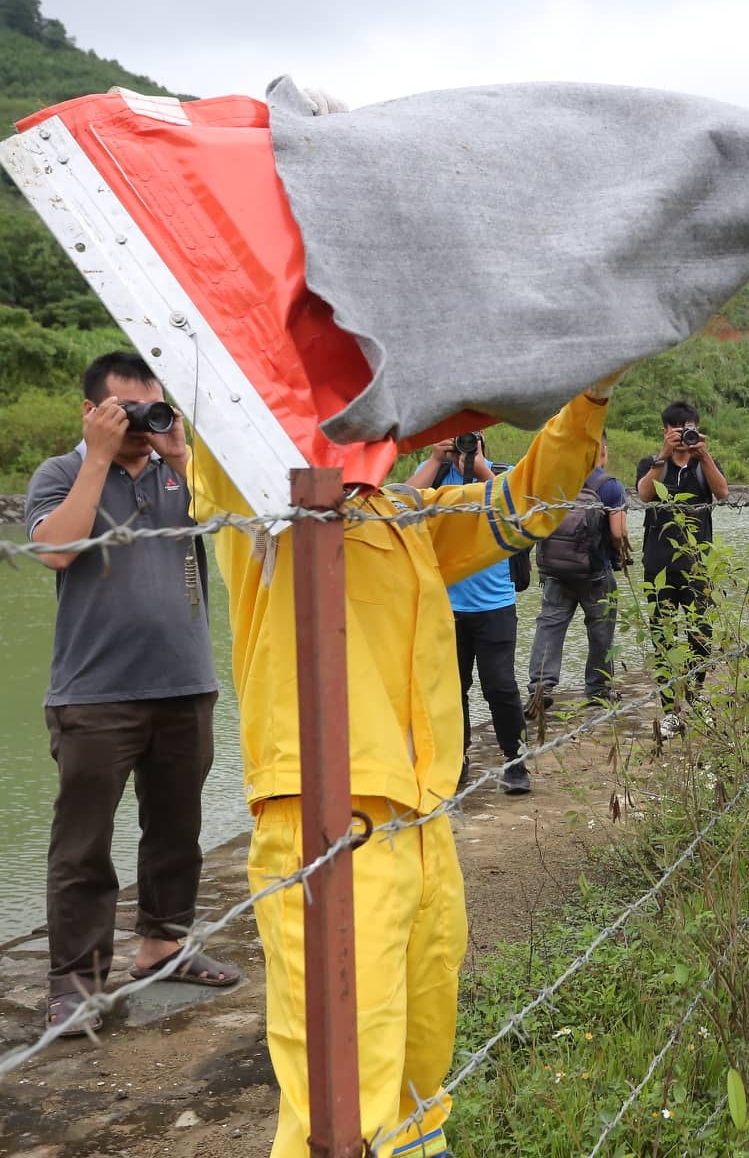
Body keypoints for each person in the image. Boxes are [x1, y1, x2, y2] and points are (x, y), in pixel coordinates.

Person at [191, 374, 617, 1158]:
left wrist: (587, 393)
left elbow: (528, 501)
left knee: (421, 1075)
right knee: (341, 1106)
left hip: (423, 822)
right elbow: (223, 414)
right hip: (325, 831)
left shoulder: (407, 516)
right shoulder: (260, 515)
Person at [25, 351, 242, 1030]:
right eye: (126, 412)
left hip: (185, 685)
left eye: (152, 407)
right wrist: (97, 458)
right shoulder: (62, 472)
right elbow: (55, 551)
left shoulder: (180, 474)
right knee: (83, 843)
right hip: (95, 694)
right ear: (91, 412)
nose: (143, 424)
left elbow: (247, 528)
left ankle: (163, 947)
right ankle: (76, 985)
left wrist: (179, 459)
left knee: (177, 829)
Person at [407, 433, 532, 795]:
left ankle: (515, 761)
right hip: (446, 607)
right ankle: (456, 761)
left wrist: (478, 467)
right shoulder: (433, 476)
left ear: (482, 441)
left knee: (501, 686)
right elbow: (398, 506)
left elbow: (520, 510)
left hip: (496, 604)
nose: (462, 444)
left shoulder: (499, 475)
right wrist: (433, 459)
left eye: (470, 438)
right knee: (451, 689)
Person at [636, 400, 729, 739]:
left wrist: (703, 455)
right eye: (678, 431)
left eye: (690, 429)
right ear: (665, 431)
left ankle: (693, 698)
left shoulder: (705, 464)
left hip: (697, 566)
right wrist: (662, 456)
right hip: (658, 566)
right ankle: (670, 711)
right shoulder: (652, 463)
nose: (684, 437)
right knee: (662, 638)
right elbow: (644, 495)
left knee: (700, 636)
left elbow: (723, 493)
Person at [526, 432, 631, 713]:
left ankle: (540, 687)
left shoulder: (554, 481)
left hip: (556, 571)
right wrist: (619, 556)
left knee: (549, 626)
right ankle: (597, 690)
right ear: (603, 452)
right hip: (595, 572)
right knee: (600, 632)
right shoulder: (609, 486)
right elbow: (618, 533)